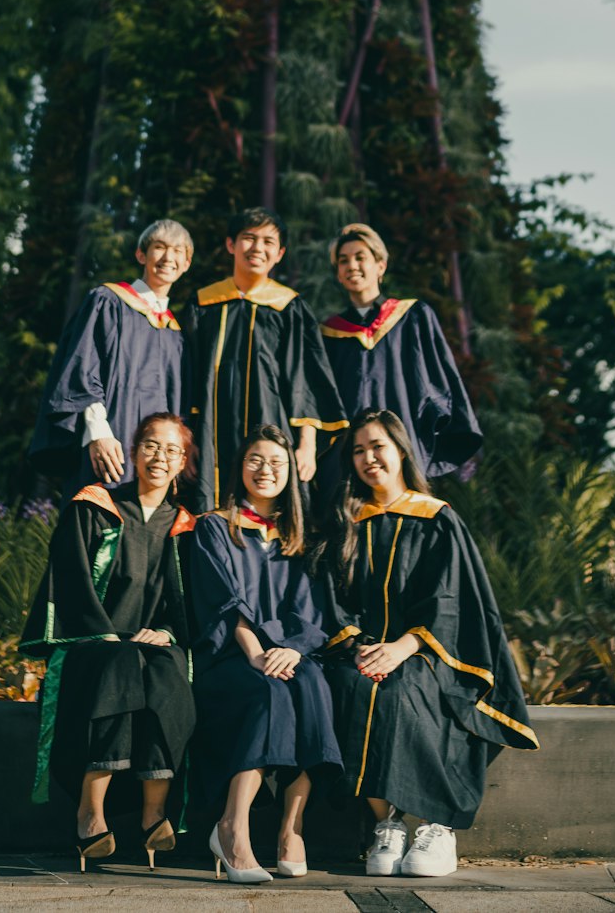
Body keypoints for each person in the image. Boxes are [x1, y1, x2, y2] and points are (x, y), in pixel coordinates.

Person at [317, 409, 536, 879]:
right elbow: (334, 597)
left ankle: (438, 827)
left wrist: (403, 647)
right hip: (365, 648)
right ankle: (387, 824)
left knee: (403, 692)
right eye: (358, 450)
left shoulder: (436, 518)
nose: (368, 458)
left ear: (400, 451)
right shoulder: (349, 521)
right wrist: (358, 645)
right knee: (351, 687)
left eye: (377, 446)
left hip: (430, 652)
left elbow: (451, 600)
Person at [20, 413, 198, 873]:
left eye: (171, 450)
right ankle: (90, 810)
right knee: (121, 664)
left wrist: (169, 632)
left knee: (165, 667)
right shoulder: (93, 507)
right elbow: (72, 582)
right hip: (91, 644)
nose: (160, 457)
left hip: (148, 647)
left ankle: (152, 812)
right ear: (134, 452)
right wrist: (105, 634)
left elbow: (190, 604)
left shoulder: (186, 527)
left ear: (183, 463)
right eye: (151, 446)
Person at [189, 424, 342, 882]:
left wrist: (293, 651)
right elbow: (222, 601)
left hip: (290, 656)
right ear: (240, 467)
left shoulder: (304, 536)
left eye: (277, 462)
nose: (266, 469)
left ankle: (290, 828)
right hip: (231, 659)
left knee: (314, 684)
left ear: (291, 473)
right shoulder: (215, 527)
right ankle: (232, 827)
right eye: (255, 459)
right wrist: (257, 652)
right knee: (268, 693)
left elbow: (315, 610)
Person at [182, 207, 346, 511]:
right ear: (231, 245)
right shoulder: (204, 304)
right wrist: (187, 438)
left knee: (277, 511)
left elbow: (305, 379)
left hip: (273, 426)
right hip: (209, 433)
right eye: (249, 238)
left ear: (280, 253)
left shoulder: (289, 308)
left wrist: (307, 445)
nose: (258, 248)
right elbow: (186, 375)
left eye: (268, 242)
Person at [319, 224, 482, 499]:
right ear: (338, 273)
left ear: (380, 266)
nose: (352, 265)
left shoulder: (412, 317)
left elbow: (440, 383)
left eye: (360, 257)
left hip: (403, 446)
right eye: (343, 260)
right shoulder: (330, 333)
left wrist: (429, 436)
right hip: (349, 459)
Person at [30, 220, 192, 488]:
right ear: (141, 254)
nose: (168, 257)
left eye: (178, 251)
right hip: (110, 443)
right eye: (159, 247)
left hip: (157, 465)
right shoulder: (108, 302)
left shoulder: (175, 333)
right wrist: (97, 433)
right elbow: (83, 368)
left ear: (186, 263)